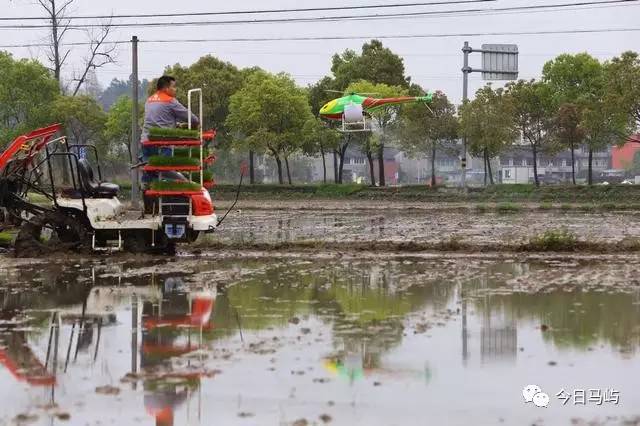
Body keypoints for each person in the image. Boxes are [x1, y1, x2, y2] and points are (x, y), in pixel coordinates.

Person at [140, 76, 200, 183]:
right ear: (166, 88)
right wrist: (192, 127)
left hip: (145, 142)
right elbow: (193, 119)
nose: (175, 89)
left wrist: (176, 125)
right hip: (162, 145)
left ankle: (147, 194)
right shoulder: (170, 101)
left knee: (150, 171)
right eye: (174, 87)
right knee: (165, 170)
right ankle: (187, 183)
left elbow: (158, 120)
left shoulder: (149, 100)